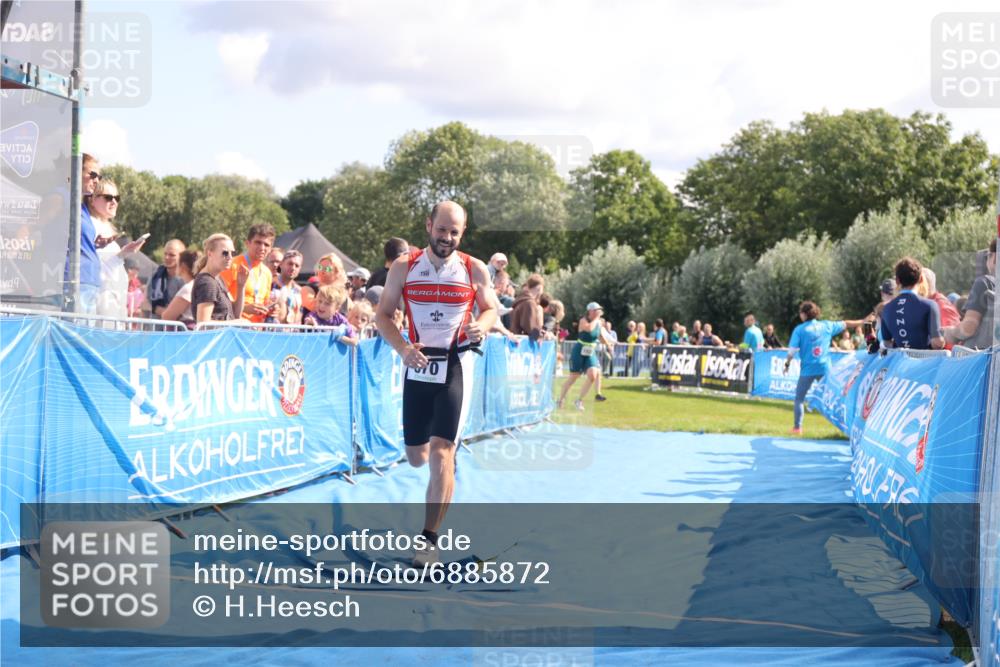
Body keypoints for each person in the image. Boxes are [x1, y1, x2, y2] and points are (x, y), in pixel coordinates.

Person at [374, 201, 497, 567]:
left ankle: (428, 540)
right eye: (441, 230)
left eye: (454, 232)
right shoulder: (404, 266)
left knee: (443, 451)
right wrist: (403, 349)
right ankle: (442, 468)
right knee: (417, 457)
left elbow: (490, 308)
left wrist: (483, 325)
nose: (446, 238)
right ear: (429, 225)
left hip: (456, 365)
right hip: (418, 364)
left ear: (463, 233)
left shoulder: (474, 269)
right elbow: (382, 316)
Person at [785, 301, 869, 435]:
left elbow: (792, 351)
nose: (800, 315)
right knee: (838, 397)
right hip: (824, 368)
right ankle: (847, 428)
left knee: (799, 399)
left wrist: (787, 364)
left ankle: (797, 428)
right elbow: (846, 323)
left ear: (805, 314)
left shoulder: (800, 330)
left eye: (801, 312)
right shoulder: (827, 325)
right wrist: (863, 321)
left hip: (807, 370)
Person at [87, 178, 146, 320]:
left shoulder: (105, 227)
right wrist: (122, 254)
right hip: (102, 300)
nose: (114, 202)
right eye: (108, 197)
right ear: (92, 200)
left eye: (116, 198)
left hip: (113, 299)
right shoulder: (91, 226)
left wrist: (124, 253)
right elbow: (96, 266)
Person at [557, 302, 614, 409]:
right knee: (574, 377)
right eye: (597, 310)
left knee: (593, 374)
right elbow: (589, 329)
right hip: (579, 351)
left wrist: (608, 345)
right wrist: (597, 319)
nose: (599, 312)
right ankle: (560, 399)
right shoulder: (583, 321)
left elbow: (600, 336)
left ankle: (579, 400)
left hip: (590, 351)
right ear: (591, 311)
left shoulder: (598, 323)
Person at [880, 257, 944, 350]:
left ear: (897, 281)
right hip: (925, 362)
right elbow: (937, 343)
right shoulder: (930, 305)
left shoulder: (886, 308)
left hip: (900, 363)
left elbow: (887, 343)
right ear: (921, 279)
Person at [65, 153, 102, 314]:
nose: (96, 180)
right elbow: (31, 229)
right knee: (71, 337)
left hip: (88, 282)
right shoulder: (61, 196)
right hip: (72, 282)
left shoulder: (82, 207)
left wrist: (96, 244)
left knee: (84, 336)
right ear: (76, 171)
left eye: (99, 176)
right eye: (92, 175)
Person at [944, 238, 996, 350]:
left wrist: (950, 332)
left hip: (982, 361)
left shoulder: (984, 283)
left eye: (988, 256)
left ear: (995, 257)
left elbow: (968, 328)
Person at [221, 223, 276, 323]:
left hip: (257, 330)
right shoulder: (232, 265)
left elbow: (264, 303)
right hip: (235, 327)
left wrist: (270, 310)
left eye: (266, 245)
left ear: (270, 249)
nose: (262, 248)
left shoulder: (267, 273)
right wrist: (244, 308)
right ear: (247, 243)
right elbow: (219, 301)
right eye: (258, 242)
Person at [192, 234, 249, 322]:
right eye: (225, 253)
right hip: (213, 336)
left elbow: (235, 314)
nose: (230, 257)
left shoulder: (217, 278)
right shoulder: (207, 283)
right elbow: (203, 323)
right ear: (210, 254)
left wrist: (241, 286)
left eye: (232, 253)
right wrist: (235, 323)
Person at [916, 267, 961, 349]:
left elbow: (952, 344)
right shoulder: (927, 304)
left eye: (917, 283)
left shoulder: (942, 306)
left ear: (925, 284)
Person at [160, 249, 200, 327]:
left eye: (178, 263)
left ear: (183, 266)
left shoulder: (189, 288)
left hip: (185, 334)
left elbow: (167, 317)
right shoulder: (199, 284)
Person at [303, 252, 348, 317]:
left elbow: (343, 315)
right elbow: (316, 308)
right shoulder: (309, 288)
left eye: (327, 269)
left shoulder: (341, 294)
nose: (322, 271)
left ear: (337, 272)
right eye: (320, 267)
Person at [148, 239, 186, 317]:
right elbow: (145, 304)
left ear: (182, 256)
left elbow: (179, 313)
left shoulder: (187, 280)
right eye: (165, 254)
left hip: (178, 327)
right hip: (154, 326)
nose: (167, 257)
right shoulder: (155, 276)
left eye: (172, 255)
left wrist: (154, 308)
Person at [273, 249, 304, 325]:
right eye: (290, 264)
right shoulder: (271, 284)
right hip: (273, 333)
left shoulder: (300, 291)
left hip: (293, 333)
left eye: (297, 266)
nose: (293, 268)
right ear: (281, 264)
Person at [510, 274, 545, 339]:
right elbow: (530, 327)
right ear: (539, 288)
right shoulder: (529, 303)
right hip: (523, 343)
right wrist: (543, 336)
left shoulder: (520, 300)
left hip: (516, 340)